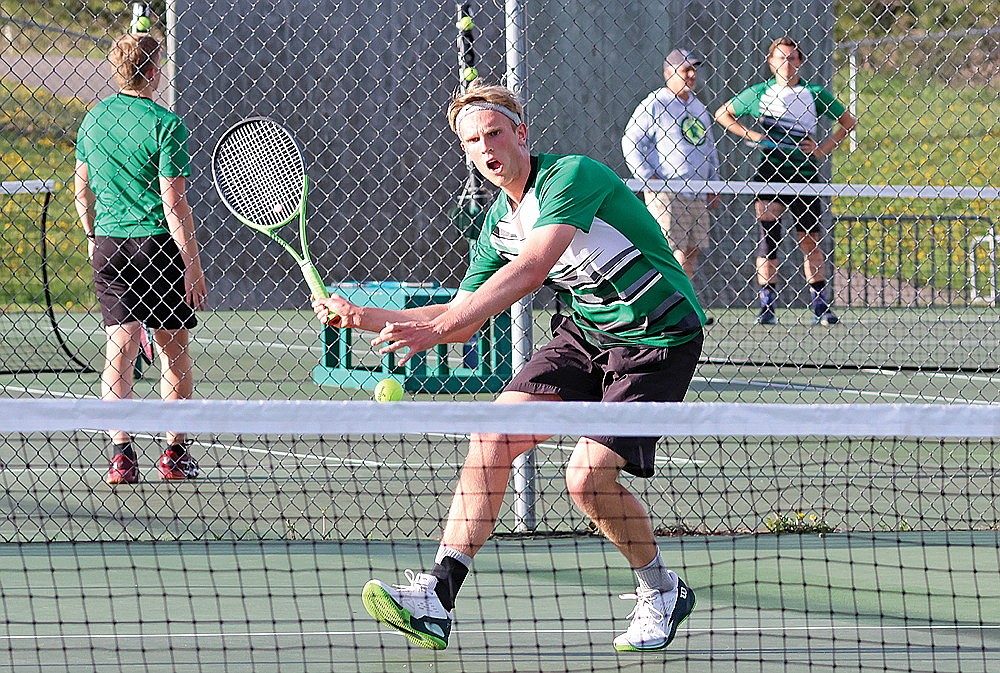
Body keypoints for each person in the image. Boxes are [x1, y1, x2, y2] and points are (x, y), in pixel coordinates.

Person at [313, 82, 705, 652]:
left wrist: (439, 330)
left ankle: (661, 590)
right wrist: (365, 316)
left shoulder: (572, 175)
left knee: (587, 481)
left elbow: (530, 269)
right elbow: (462, 312)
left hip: (656, 336)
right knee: (491, 434)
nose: (485, 149)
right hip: (586, 333)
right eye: (472, 142)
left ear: (520, 133)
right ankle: (437, 598)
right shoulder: (498, 220)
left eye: (494, 133)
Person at [74, 32, 207, 484]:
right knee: (175, 354)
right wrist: (192, 264)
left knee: (120, 351)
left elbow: (81, 188)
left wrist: (93, 235)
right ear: (152, 72)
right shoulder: (167, 124)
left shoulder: (93, 120)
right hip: (157, 246)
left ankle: (120, 455)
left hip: (109, 245)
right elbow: (175, 203)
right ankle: (174, 455)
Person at [715, 37, 857, 325]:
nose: (787, 63)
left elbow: (848, 122)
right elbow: (722, 113)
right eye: (781, 58)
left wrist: (821, 150)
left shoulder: (814, 94)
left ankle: (820, 306)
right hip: (769, 175)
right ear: (770, 63)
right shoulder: (759, 93)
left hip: (805, 177)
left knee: (810, 243)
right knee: (769, 242)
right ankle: (767, 306)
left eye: (792, 58)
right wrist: (753, 136)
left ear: (800, 62)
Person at [622, 48, 721, 322]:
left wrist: (713, 182)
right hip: (667, 191)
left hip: (696, 190)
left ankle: (682, 302)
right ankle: (666, 306)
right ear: (669, 73)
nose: (691, 75)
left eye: (693, 69)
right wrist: (648, 177)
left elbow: (708, 146)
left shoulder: (698, 106)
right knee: (670, 248)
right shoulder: (656, 102)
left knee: (692, 248)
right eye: (684, 69)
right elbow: (631, 141)